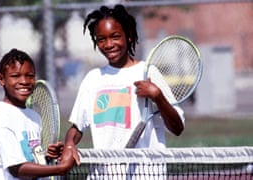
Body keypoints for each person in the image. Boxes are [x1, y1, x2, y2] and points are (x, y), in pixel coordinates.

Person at [64, 4, 185, 151]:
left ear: (128, 36)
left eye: (115, 37)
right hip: (105, 173)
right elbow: (77, 127)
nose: (108, 44)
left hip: (146, 172)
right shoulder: (92, 79)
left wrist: (157, 96)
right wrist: (69, 145)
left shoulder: (148, 73)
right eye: (101, 39)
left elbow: (177, 128)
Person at [0, 48, 79, 180]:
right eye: (15, 76)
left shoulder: (34, 117)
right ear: (1, 79)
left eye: (30, 76)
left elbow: (32, 157)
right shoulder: (2, 117)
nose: (24, 81)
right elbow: (17, 169)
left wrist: (48, 155)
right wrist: (60, 168)